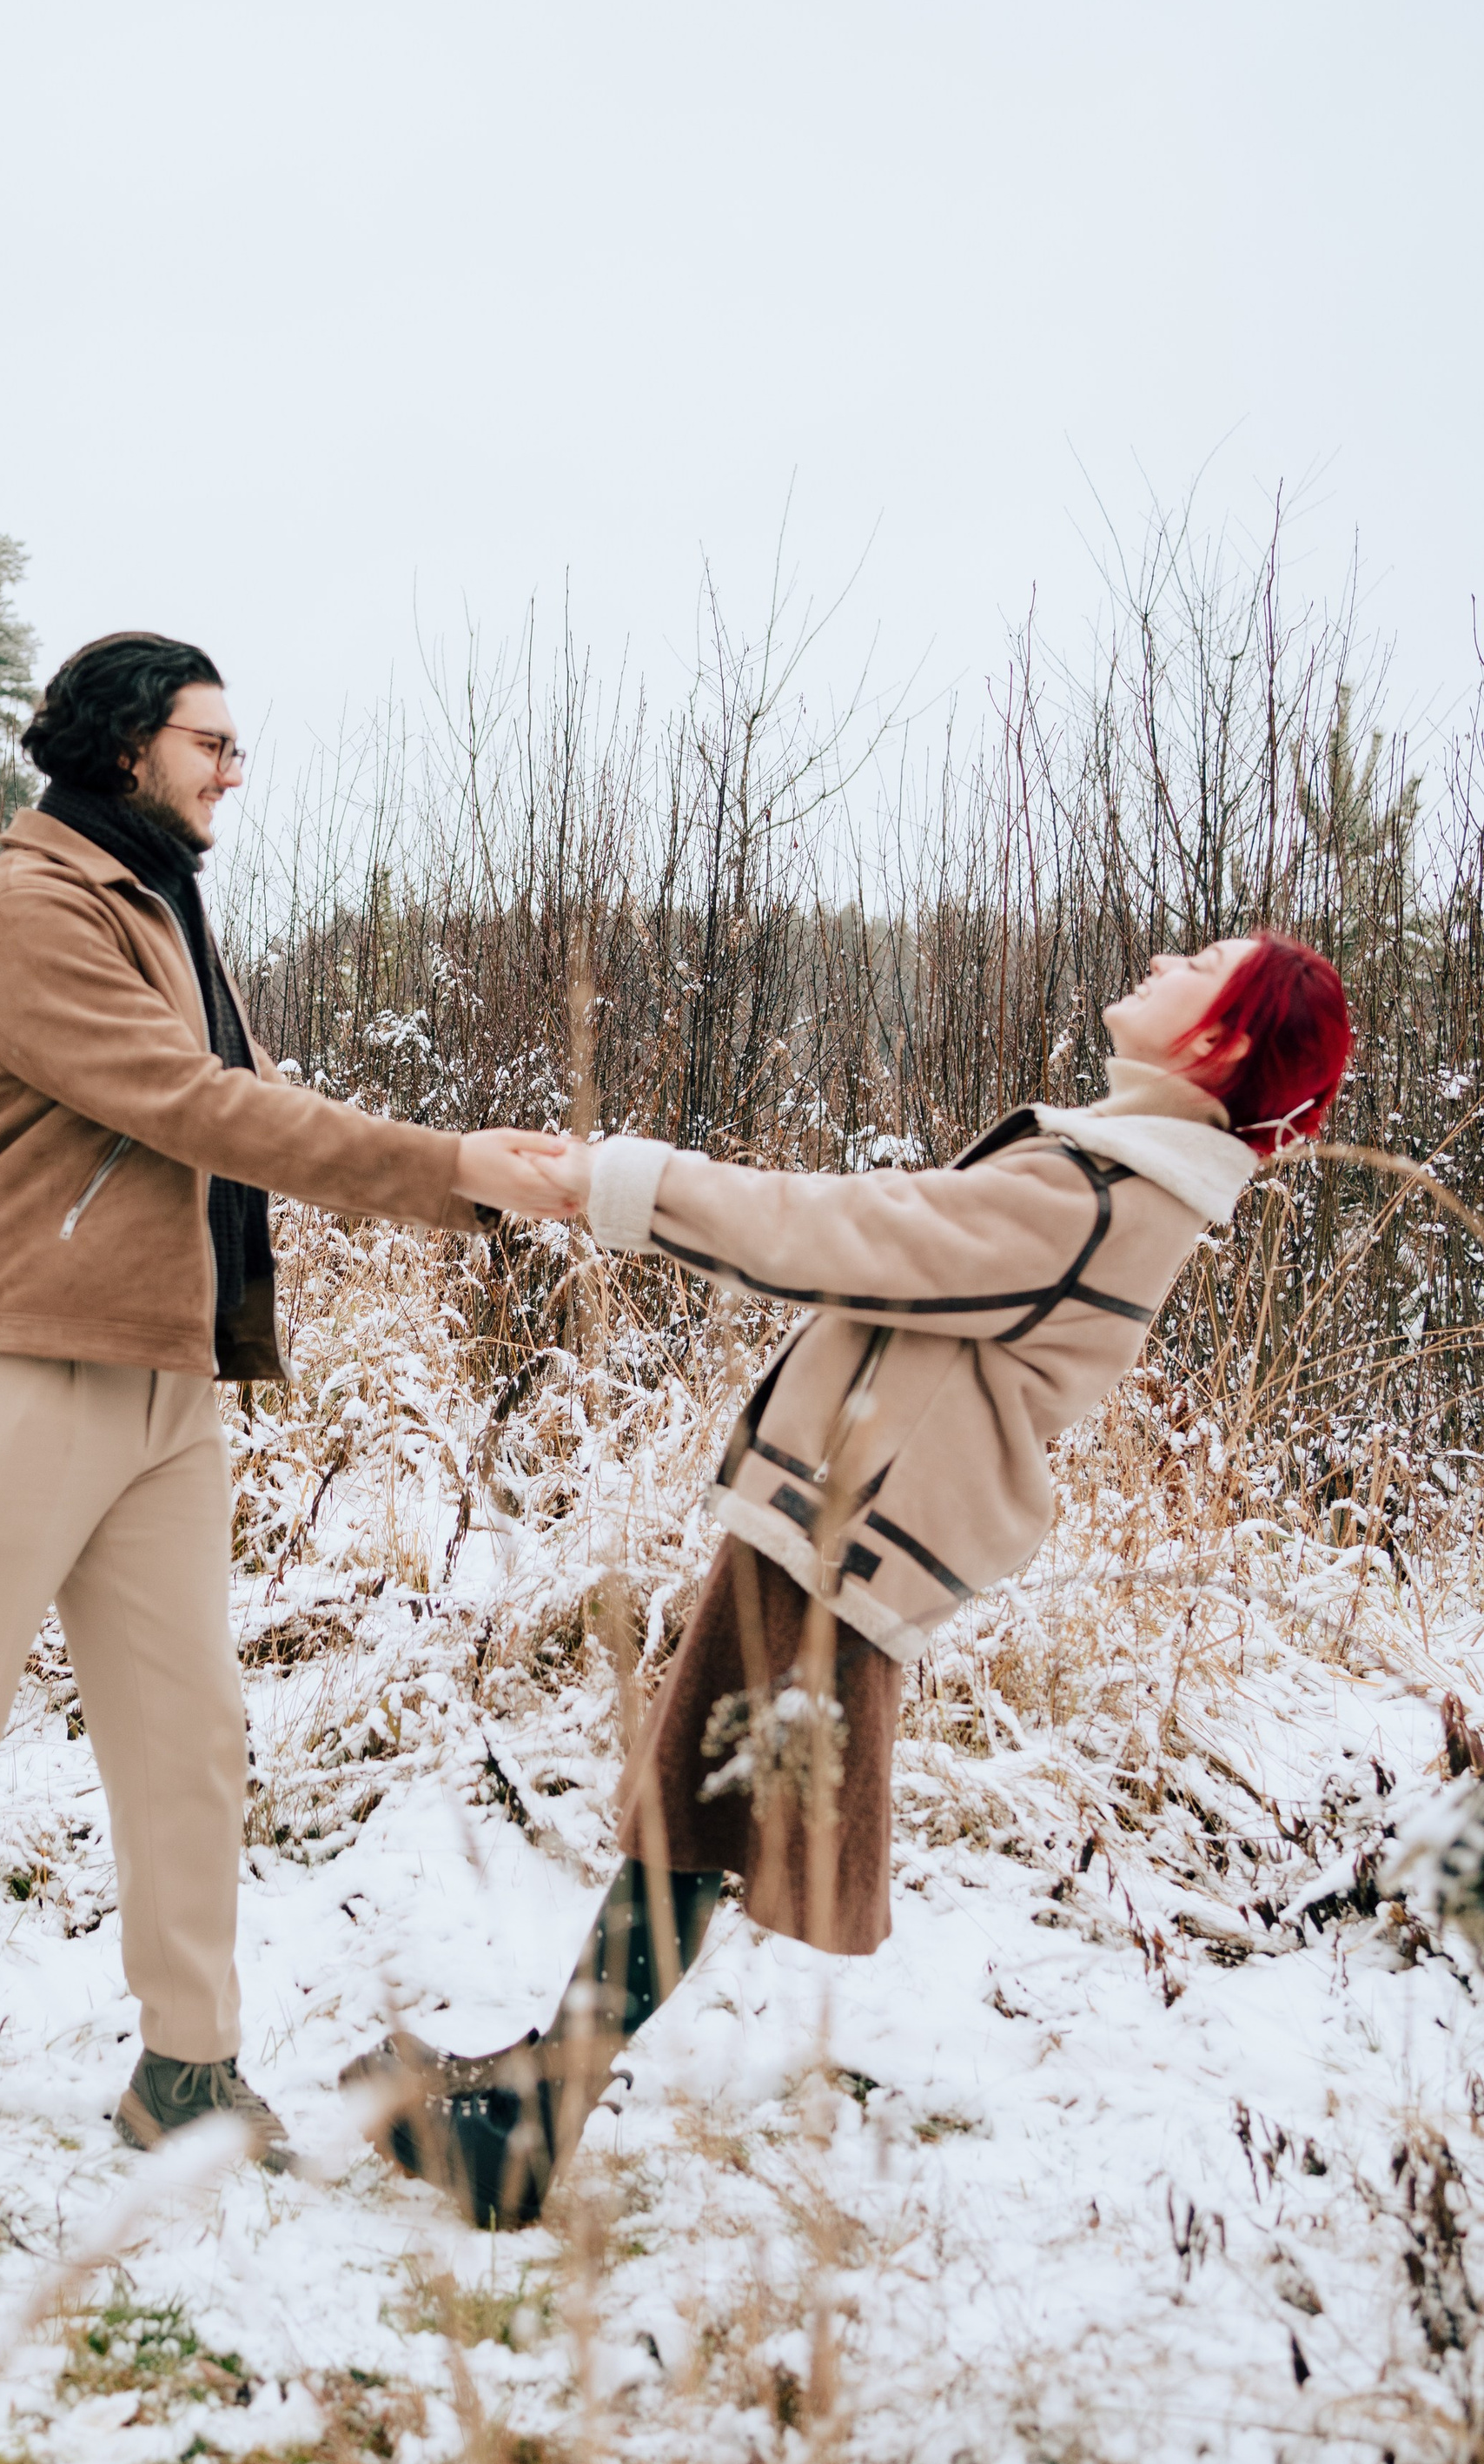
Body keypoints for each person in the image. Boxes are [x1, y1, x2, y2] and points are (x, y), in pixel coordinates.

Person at [352, 929, 1353, 2228]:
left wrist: (620, 1184)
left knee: (690, 1827)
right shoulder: (1116, 1173)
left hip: (845, 1537)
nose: (1164, 955)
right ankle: (536, 2099)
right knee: (692, 1824)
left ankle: (526, 2134)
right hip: (839, 1522)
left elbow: (842, 1234)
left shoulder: (1106, 1195)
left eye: (1201, 962)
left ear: (1222, 1039)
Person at [0, 633, 578, 2204]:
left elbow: (238, 1103)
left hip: (158, 1375)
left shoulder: (156, 903)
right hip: (18, 1360)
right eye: (211, 740)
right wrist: (452, 1168)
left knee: (189, 1742)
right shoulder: (31, 910)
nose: (235, 768)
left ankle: (186, 2069)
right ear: (127, 743)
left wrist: (463, 1181)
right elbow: (197, 1105)